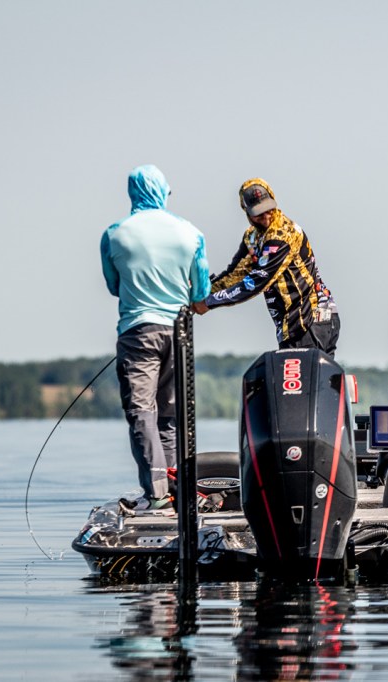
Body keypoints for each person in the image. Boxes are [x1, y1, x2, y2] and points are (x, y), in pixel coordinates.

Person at [101, 164, 210, 509]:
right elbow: (201, 292)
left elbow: (113, 286)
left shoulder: (114, 234)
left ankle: (158, 493)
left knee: (141, 411)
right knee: (169, 415)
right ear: (163, 192)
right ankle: (174, 489)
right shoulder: (191, 233)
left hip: (137, 332)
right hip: (180, 333)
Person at [193, 178, 340, 356]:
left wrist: (208, 303)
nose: (265, 217)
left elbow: (256, 282)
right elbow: (234, 275)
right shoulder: (252, 237)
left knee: (304, 374)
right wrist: (200, 294)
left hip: (310, 321)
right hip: (295, 325)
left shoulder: (282, 235)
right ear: (246, 211)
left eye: (268, 209)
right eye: (258, 213)